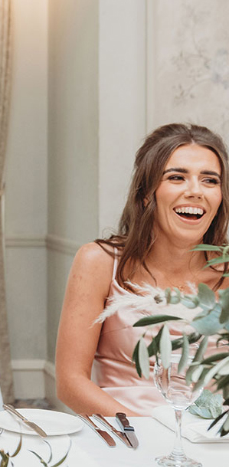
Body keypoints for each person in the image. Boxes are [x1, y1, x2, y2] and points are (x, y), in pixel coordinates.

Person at [56, 123, 229, 416]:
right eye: (177, 177)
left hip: (211, 444)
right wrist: (153, 433)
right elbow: (70, 383)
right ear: (146, 193)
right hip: (128, 436)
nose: (196, 191)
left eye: (210, 181)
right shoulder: (98, 262)